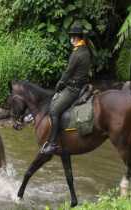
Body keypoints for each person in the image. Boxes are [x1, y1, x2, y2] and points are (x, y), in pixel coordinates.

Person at [41, 23, 92, 155]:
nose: (71, 40)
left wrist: (59, 84)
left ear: (75, 38)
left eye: (71, 37)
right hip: (82, 85)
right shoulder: (86, 49)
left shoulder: (76, 54)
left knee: (53, 110)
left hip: (74, 89)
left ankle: (52, 143)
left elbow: (68, 72)